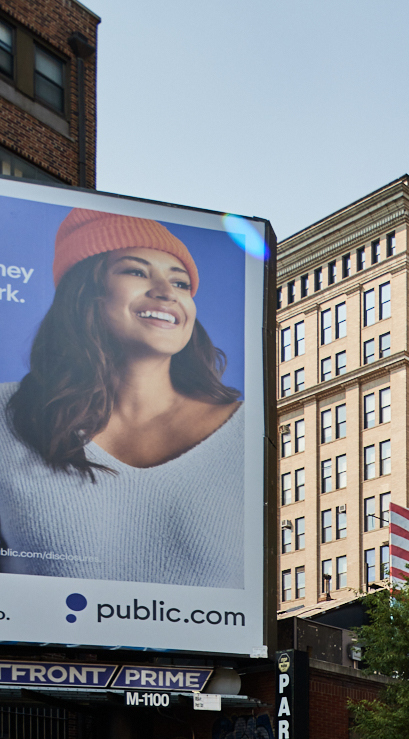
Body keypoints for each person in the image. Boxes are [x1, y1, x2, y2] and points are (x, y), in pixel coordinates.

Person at [0, 208, 244, 587]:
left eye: (180, 283)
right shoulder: (6, 414)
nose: (166, 292)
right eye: (135, 271)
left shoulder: (245, 431)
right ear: (86, 292)